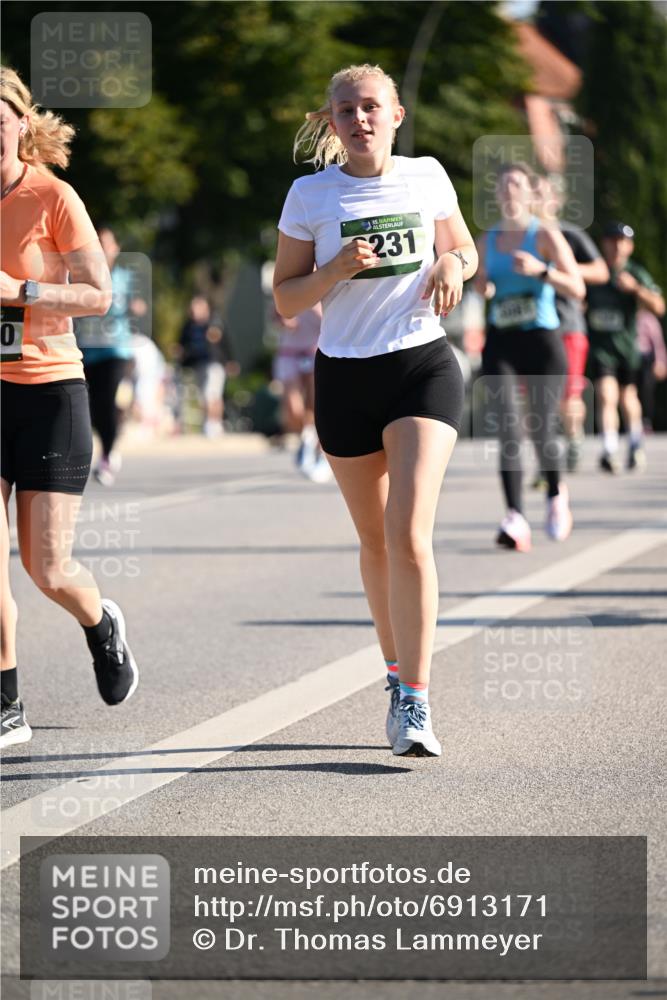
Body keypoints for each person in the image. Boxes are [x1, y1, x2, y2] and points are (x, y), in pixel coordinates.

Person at [273, 64, 477, 757]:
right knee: (374, 541)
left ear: (394, 114)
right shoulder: (309, 194)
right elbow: (286, 298)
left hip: (421, 364)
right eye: (345, 110)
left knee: (408, 530)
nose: (359, 119)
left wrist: (451, 267)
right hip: (344, 376)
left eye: (370, 107)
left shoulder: (426, 176)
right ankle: (394, 676)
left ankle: (415, 704)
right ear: (330, 123)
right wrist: (333, 271)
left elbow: (464, 249)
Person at [0, 67, 139, 749]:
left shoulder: (51, 195)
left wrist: (19, 289)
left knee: (46, 567)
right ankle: (6, 704)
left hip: (51, 392)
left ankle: (99, 623)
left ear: (20, 125)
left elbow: (98, 296)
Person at [475, 163, 585, 552]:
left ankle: (556, 493)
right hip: (502, 342)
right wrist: (482, 287)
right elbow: (478, 282)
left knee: (541, 427)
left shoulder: (544, 235)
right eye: (503, 185)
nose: (509, 192)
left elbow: (577, 287)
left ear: (529, 193)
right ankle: (515, 516)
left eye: (516, 185)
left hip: (543, 340)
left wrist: (542, 271)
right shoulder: (486, 240)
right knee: (507, 426)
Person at [533, 175, 609, 472]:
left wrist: (561, 267)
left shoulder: (570, 234)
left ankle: (574, 437)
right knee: (536, 398)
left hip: (568, 325)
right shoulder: (523, 236)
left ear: (556, 201)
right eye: (533, 192)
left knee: (568, 394)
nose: (536, 199)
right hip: (532, 329)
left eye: (542, 193)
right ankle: (546, 460)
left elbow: (601, 271)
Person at [586, 222, 665, 472]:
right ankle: (609, 449)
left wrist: (635, 289)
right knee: (605, 394)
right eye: (612, 240)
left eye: (622, 241)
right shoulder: (596, 272)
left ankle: (634, 442)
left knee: (628, 397)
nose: (617, 246)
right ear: (604, 243)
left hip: (628, 348)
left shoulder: (635, 273)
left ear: (630, 246)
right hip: (601, 348)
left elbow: (659, 306)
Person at [75, 225, 134, 486]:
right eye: (97, 243)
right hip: (88, 350)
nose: (102, 249)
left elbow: (138, 304)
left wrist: (136, 306)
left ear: (116, 249)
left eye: (107, 244)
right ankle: (105, 447)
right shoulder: (81, 277)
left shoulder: (126, 278)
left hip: (115, 350)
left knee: (107, 402)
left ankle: (108, 455)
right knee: (91, 407)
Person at [273, 303, 331, 483]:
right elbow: (277, 310)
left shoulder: (326, 276)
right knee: (293, 409)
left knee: (318, 405)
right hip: (290, 351)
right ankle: (307, 436)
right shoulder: (294, 276)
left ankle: (321, 452)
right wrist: (282, 319)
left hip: (315, 350)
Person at [176, 295, 232, 438]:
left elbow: (225, 344)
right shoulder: (188, 326)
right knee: (203, 396)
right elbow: (182, 344)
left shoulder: (215, 322)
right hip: (197, 364)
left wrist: (230, 361)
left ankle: (215, 423)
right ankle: (208, 423)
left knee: (212, 394)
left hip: (214, 363)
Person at [636, 308, 667, 433]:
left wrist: (660, 361)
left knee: (646, 391)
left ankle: (646, 421)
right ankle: (632, 423)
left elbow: (657, 342)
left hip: (645, 360)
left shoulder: (648, 319)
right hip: (627, 358)